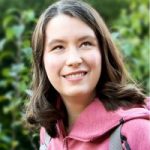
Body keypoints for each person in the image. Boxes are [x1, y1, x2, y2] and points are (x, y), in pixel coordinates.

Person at [26, 0, 150, 149]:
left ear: (103, 53)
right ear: (41, 61)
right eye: (58, 47)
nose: (74, 60)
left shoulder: (136, 132)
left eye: (85, 44)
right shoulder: (48, 134)